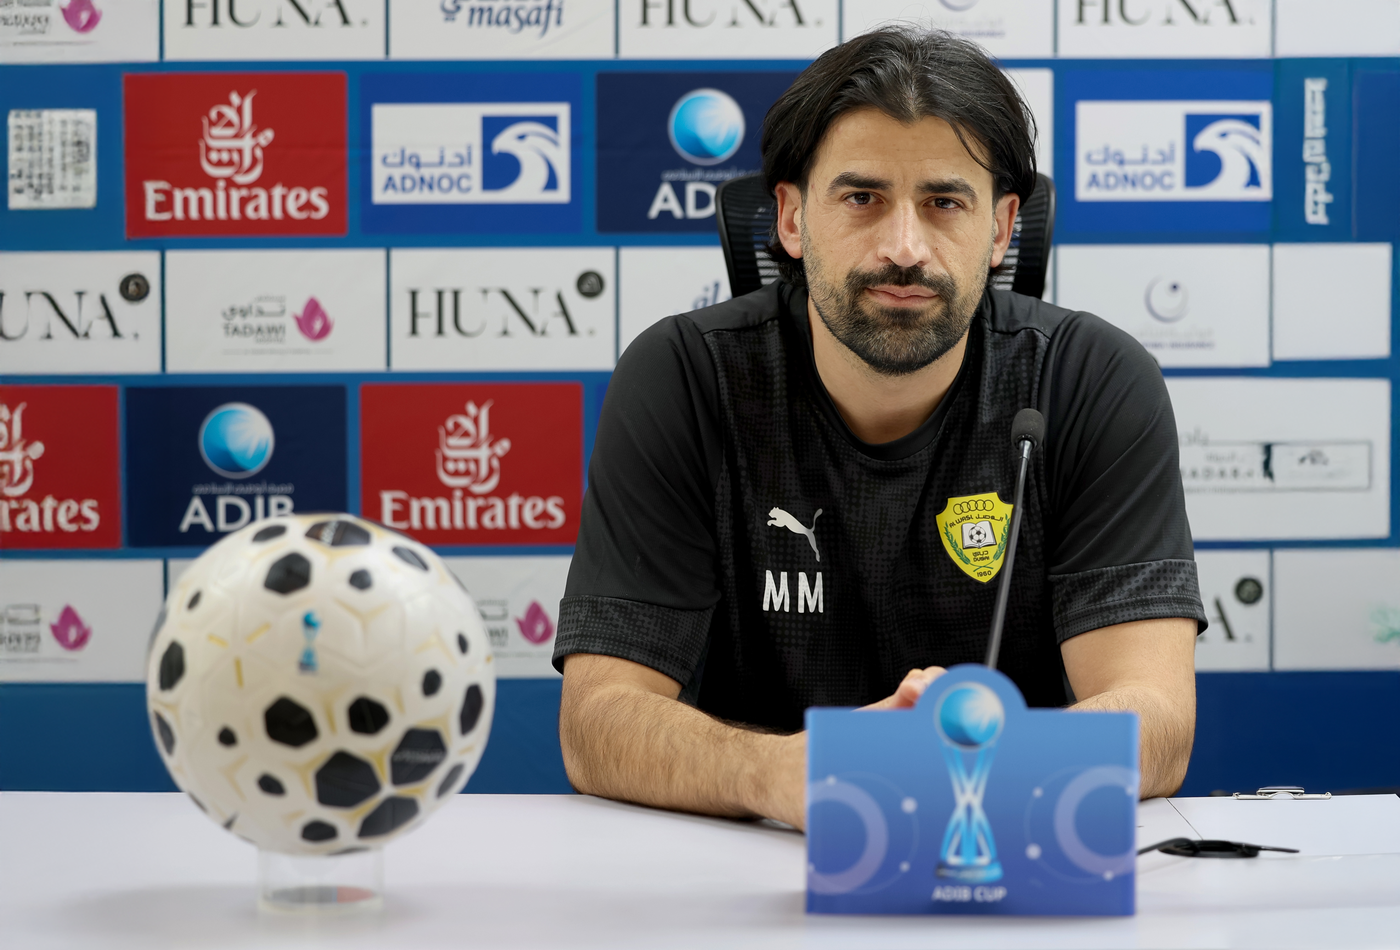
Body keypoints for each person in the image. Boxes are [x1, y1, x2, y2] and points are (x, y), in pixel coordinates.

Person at [553, 27, 1206, 829]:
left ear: (1002, 230)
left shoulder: (1090, 380)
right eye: (862, 198)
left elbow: (1158, 724)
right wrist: (784, 773)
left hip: (998, 846)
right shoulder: (685, 377)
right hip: (748, 866)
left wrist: (990, 763)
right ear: (790, 219)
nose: (904, 248)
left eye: (944, 203)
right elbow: (596, 723)